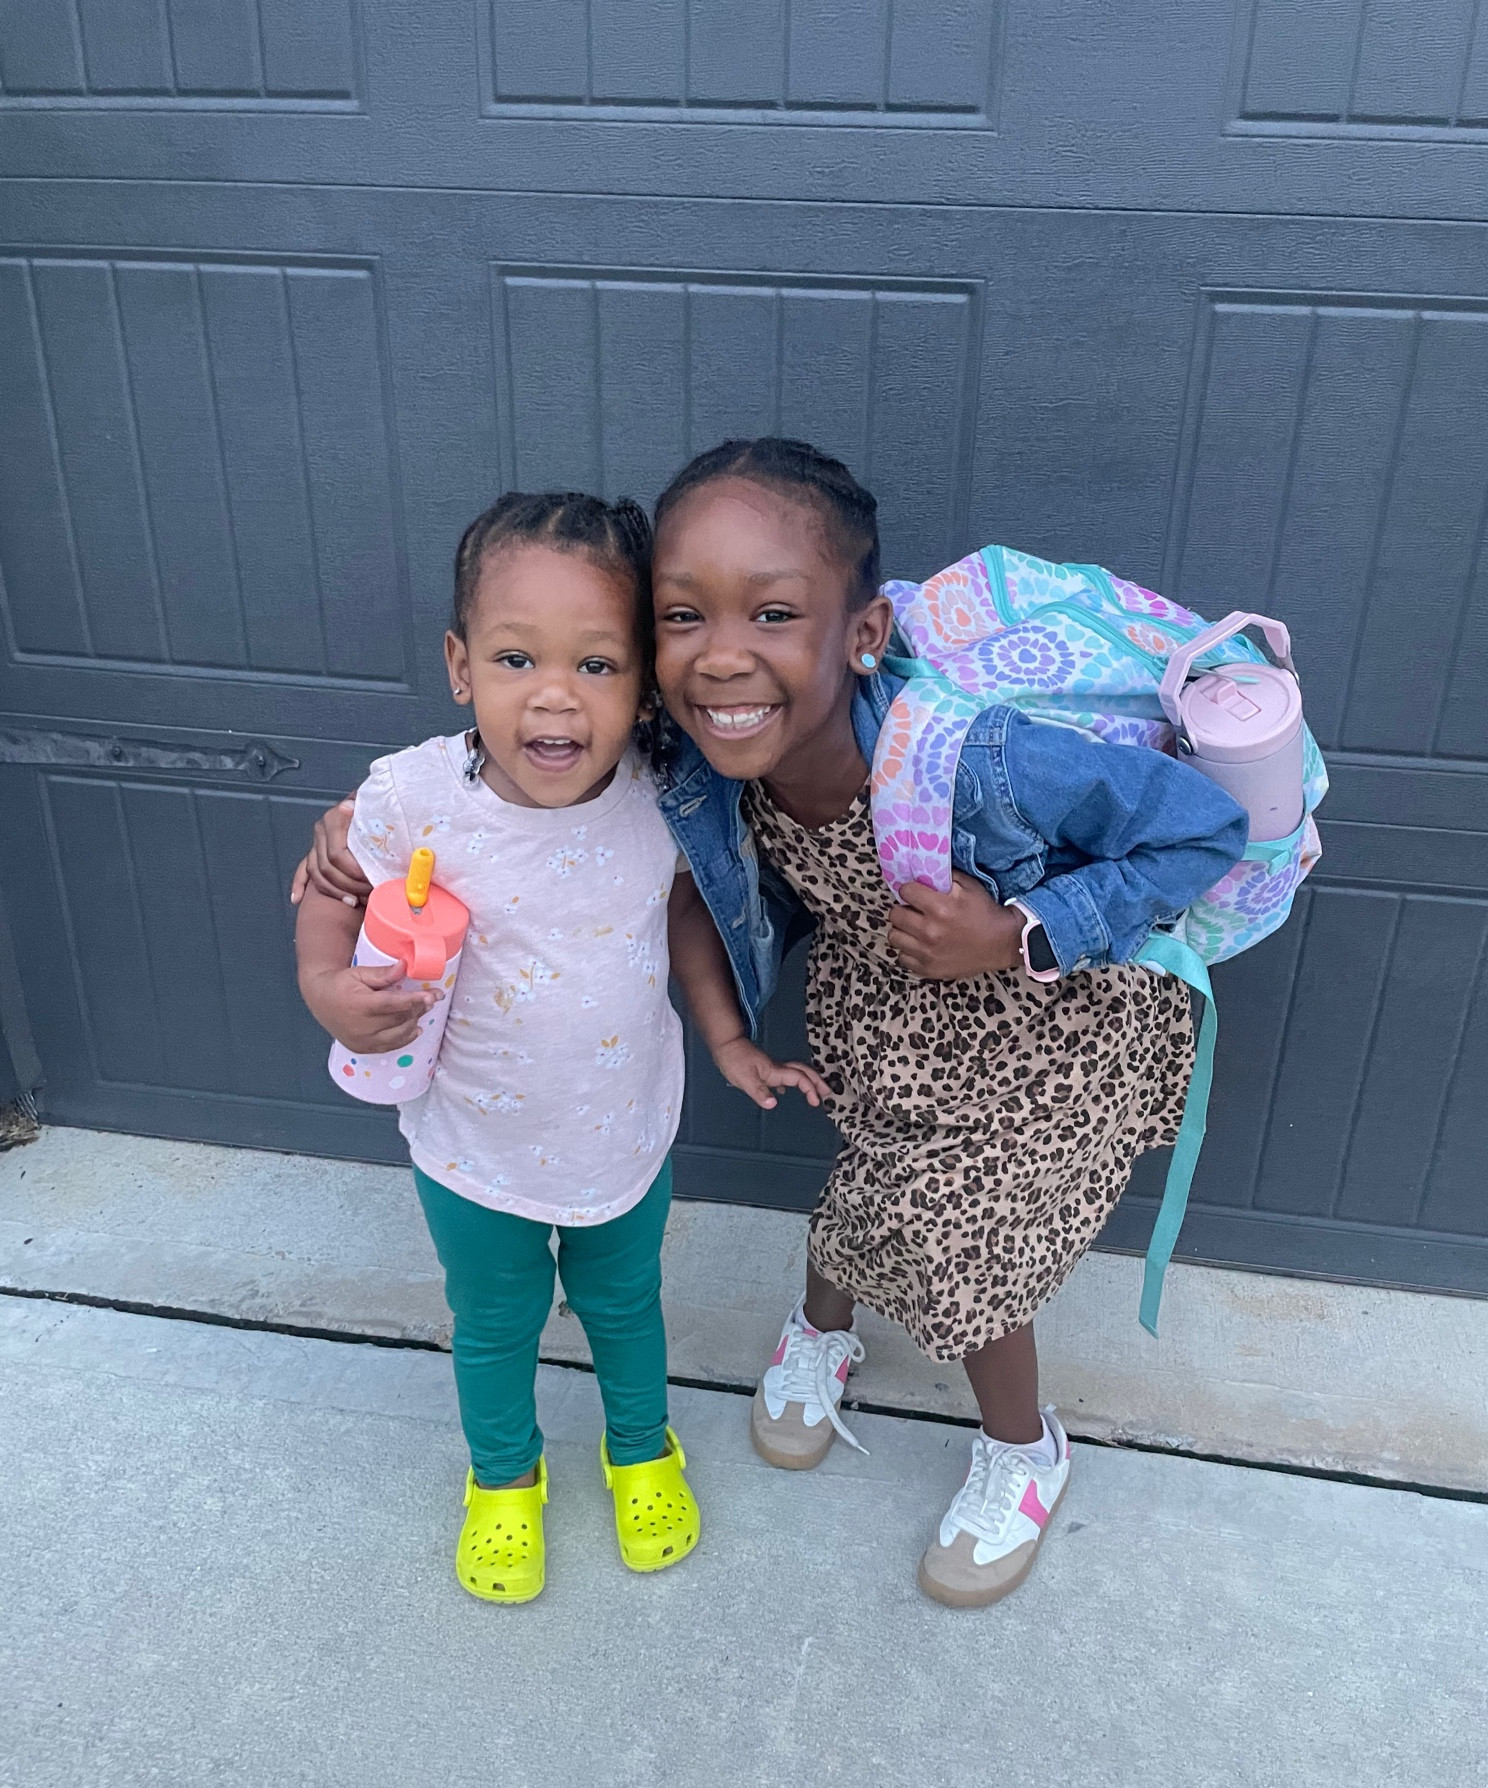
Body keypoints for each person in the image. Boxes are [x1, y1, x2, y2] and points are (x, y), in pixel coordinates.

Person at [299, 443, 1248, 1611]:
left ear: (862, 634)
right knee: (867, 1180)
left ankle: (1024, 1446)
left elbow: (1206, 829)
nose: (722, 654)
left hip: (1041, 1017)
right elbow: (492, 791)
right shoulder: (693, 753)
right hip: (893, 1009)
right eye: (683, 616)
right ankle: (821, 1327)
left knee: (969, 1240)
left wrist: (1018, 929)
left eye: (775, 612)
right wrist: (347, 836)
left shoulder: (985, 761)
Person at [293, 488, 820, 1605]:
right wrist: (325, 985)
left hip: (620, 1137)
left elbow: (685, 915)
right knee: (494, 1321)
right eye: (515, 657)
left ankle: (640, 1449)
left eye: (596, 664)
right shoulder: (412, 796)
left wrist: (727, 1035)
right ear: (459, 664)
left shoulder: (662, 798)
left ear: (643, 685)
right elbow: (334, 894)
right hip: (470, 1148)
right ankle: (503, 1476)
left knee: (627, 1307)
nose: (554, 695)